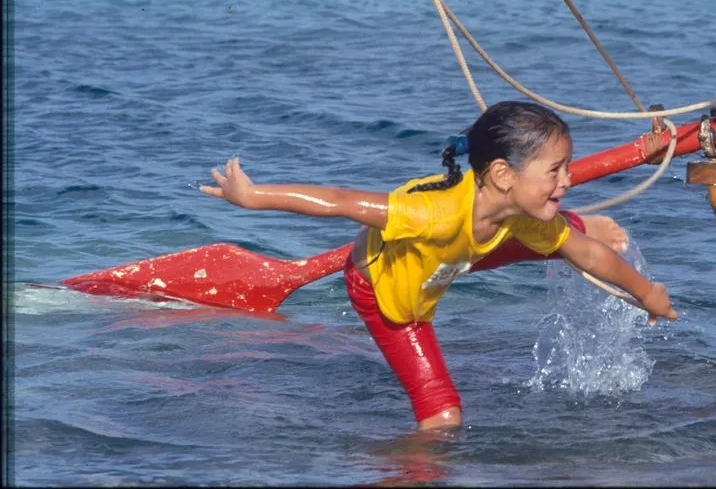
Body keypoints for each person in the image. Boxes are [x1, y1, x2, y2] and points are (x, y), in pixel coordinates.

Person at [200, 101, 677, 430]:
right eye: (556, 170)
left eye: (568, 167)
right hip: (388, 295)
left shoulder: (517, 208)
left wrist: (647, 292)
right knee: (443, 418)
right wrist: (252, 196)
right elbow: (340, 200)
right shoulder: (430, 214)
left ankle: (575, 225)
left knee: (561, 236)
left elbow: (591, 256)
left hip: (461, 250)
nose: (569, 178)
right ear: (503, 175)